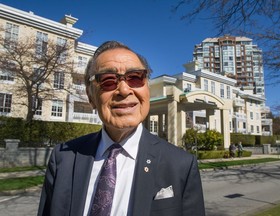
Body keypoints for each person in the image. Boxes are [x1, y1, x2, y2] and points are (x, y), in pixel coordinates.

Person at [37, 41, 205, 216]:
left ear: (147, 88)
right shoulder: (63, 159)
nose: (124, 90)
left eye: (135, 77)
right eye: (108, 81)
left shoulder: (181, 164)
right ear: (91, 96)